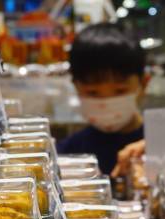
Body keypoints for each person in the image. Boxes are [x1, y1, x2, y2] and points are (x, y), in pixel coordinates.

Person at [57, 23, 148, 176]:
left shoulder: (162, 145)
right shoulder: (67, 153)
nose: (107, 101)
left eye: (120, 90)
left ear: (143, 84)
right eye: (92, 92)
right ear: (76, 87)